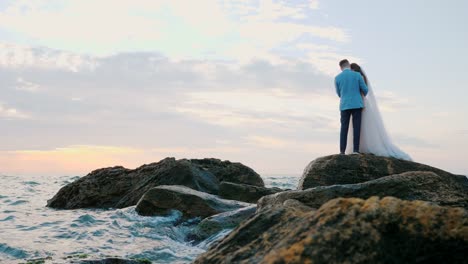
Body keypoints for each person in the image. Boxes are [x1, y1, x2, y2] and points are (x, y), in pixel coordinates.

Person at [346, 62, 412, 160]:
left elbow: (362, 92)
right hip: (359, 103)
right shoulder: (360, 77)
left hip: (361, 103)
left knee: (363, 126)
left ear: (353, 70)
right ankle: (358, 147)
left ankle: (360, 147)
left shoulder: (358, 77)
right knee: (361, 126)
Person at [335, 59, 368, 154]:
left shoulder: (337, 78)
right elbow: (365, 90)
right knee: (356, 127)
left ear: (341, 67)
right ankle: (356, 150)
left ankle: (342, 151)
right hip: (357, 104)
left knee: (344, 128)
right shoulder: (357, 75)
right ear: (349, 65)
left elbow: (339, 93)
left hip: (344, 105)